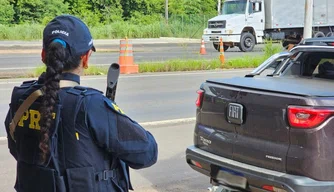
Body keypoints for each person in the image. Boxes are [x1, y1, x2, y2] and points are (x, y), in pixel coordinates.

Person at [4, 14, 158, 192]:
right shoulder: (91, 105)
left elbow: (17, 149)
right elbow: (147, 153)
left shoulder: (21, 98)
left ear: (43, 54)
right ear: (85, 58)